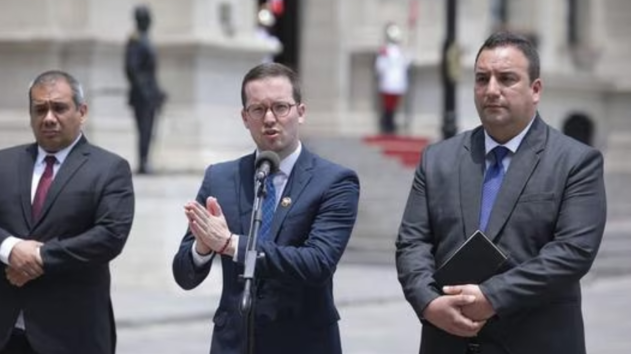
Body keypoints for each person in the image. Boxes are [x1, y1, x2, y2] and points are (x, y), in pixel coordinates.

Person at [395, 31, 606, 354]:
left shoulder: (575, 162)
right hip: (447, 341)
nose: (491, 90)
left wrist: (492, 297)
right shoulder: (438, 159)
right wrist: (429, 302)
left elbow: (572, 252)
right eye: (482, 79)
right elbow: (413, 243)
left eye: (506, 78)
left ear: (535, 89)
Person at [172, 62, 360, 354]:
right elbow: (184, 275)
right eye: (258, 110)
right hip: (234, 342)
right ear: (245, 118)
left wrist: (231, 244)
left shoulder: (335, 181)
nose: (270, 118)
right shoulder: (220, 178)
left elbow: (317, 263)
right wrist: (203, 247)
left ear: (301, 111)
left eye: (281, 107)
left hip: (303, 342)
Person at [0, 70, 135, 354]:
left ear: (82, 111)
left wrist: (39, 257)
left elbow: (110, 236)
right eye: (40, 109)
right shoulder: (2, 162)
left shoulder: (110, 169)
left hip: (74, 337)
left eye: (59, 108)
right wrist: (11, 249)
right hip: (5, 334)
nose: (49, 117)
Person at [125, 4, 167, 174]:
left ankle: (146, 159)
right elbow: (132, 69)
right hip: (142, 95)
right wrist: (147, 91)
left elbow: (150, 73)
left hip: (150, 93)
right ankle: (143, 161)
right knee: (144, 129)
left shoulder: (146, 39)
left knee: (149, 129)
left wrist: (157, 91)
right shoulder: (135, 41)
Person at [375, 22, 412, 134]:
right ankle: (387, 124)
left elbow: (405, 63)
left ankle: (391, 124)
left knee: (394, 105)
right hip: (388, 81)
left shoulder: (400, 51)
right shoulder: (384, 51)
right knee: (388, 106)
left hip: (398, 82)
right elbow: (380, 66)